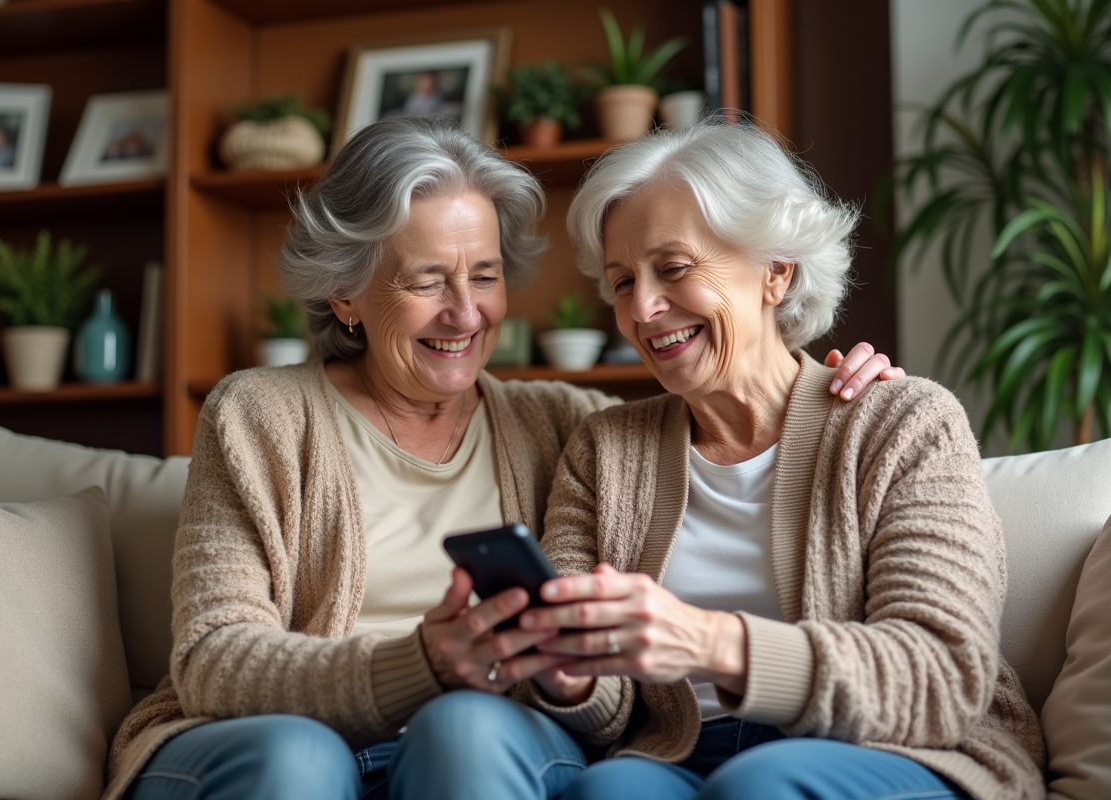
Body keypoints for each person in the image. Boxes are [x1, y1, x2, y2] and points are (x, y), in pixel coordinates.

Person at [104, 116, 900, 800]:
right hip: (277, 740)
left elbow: (714, 414)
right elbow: (211, 658)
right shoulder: (259, 417)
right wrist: (418, 662)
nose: (464, 312)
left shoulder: (565, 425)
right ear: (345, 293)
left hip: (477, 741)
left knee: (468, 728)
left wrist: (837, 387)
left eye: (484, 276)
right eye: (427, 280)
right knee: (299, 755)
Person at [389, 120, 1045, 800]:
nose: (642, 308)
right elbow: (601, 710)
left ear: (775, 272)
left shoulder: (903, 423)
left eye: (673, 269)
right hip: (676, 753)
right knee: (610, 792)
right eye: (621, 282)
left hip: (894, 752)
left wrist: (710, 642)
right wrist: (568, 670)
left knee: (759, 784)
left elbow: (943, 674)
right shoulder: (604, 449)